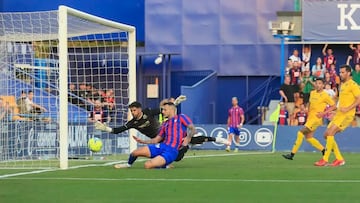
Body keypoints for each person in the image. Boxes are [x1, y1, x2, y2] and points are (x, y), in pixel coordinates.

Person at [95, 99, 229, 161]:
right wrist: (106, 128)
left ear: (140, 110)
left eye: (134, 110)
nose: (133, 112)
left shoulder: (148, 112)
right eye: (131, 111)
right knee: (179, 154)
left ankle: (217, 139)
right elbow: (118, 130)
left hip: (168, 133)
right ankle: (185, 147)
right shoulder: (132, 123)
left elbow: (164, 110)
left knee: (190, 140)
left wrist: (175, 103)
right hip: (161, 139)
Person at [113, 102, 196, 169]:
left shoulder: (181, 117)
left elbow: (192, 129)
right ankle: (128, 165)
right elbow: (156, 140)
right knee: (135, 153)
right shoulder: (165, 124)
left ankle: (164, 165)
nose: (162, 112)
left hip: (172, 151)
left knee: (147, 165)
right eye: (162, 110)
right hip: (162, 146)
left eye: (164, 110)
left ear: (171, 110)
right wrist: (143, 141)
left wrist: (188, 138)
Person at [315, 65, 360, 167]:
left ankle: (325, 159)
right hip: (339, 114)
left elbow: (359, 99)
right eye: (340, 72)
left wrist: (348, 108)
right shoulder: (342, 85)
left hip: (347, 115)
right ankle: (339, 159)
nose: (341, 74)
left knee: (331, 132)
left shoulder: (353, 85)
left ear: (348, 73)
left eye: (343, 72)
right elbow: (339, 103)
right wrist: (326, 113)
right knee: (326, 135)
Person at [282, 78, 336, 160]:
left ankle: (292, 154)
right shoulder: (313, 93)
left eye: (320, 83)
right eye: (317, 83)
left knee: (300, 133)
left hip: (316, 119)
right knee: (309, 138)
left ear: (323, 85)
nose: (318, 85)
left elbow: (334, 106)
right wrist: (307, 110)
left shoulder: (325, 95)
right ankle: (323, 150)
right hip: (310, 118)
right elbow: (310, 103)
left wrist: (324, 113)